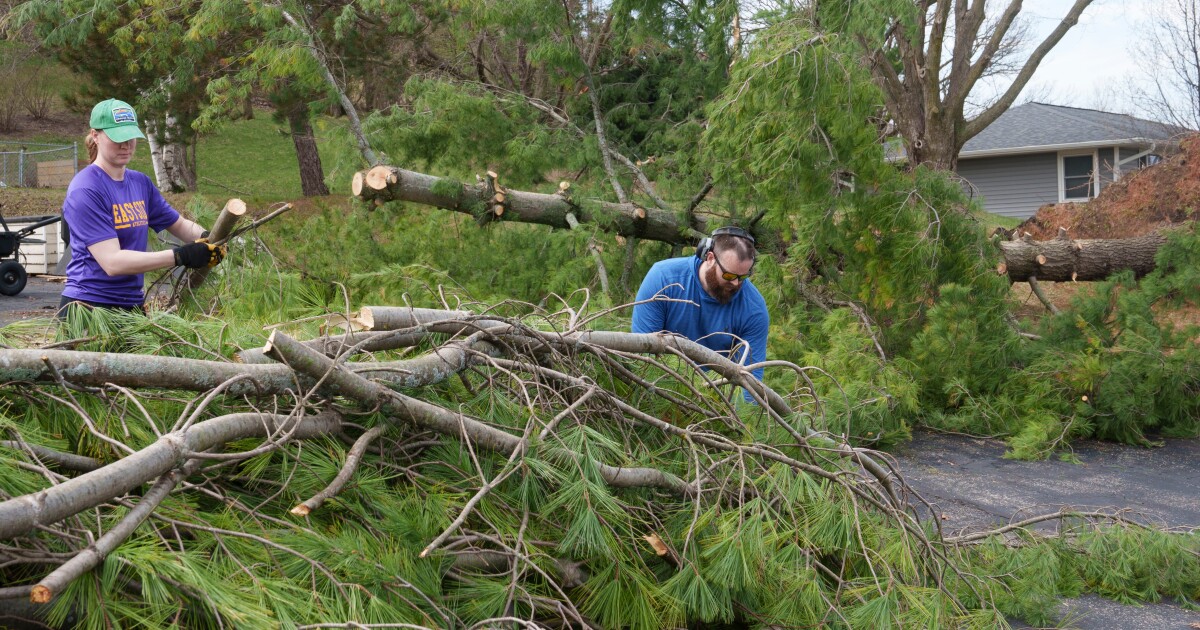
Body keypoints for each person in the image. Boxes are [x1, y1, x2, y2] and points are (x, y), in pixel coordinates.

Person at [59, 98, 225, 316]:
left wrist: (211, 238)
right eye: (118, 138)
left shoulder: (140, 183)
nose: (126, 145)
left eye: (130, 137)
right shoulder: (86, 189)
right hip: (89, 307)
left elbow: (179, 224)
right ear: (96, 135)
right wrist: (180, 256)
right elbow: (112, 262)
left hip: (131, 304)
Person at [631, 226, 769, 401]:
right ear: (710, 258)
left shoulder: (754, 309)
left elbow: (750, 386)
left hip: (712, 400)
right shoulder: (664, 279)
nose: (735, 283)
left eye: (742, 277)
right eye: (728, 276)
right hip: (659, 388)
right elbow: (642, 355)